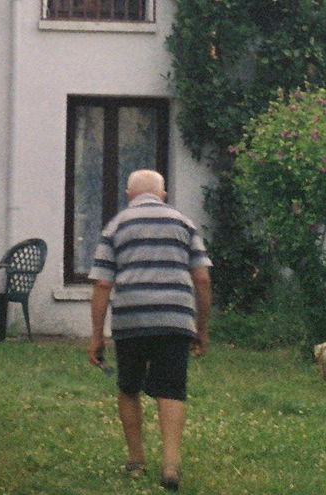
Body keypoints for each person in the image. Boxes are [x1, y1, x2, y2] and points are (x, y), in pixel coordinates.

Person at [88, 169, 212, 491]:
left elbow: (102, 283)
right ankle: (171, 464)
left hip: (131, 320)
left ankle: (136, 460)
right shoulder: (185, 223)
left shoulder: (115, 226)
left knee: (129, 387)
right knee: (171, 389)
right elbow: (202, 278)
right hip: (175, 319)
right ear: (163, 195)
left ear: (129, 194)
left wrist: (97, 336)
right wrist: (202, 329)